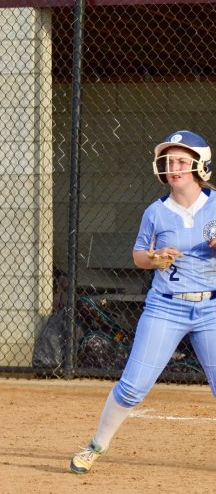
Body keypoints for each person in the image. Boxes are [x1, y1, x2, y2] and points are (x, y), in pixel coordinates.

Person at [70, 130, 216, 475]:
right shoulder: (156, 211)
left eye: (182, 161)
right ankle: (96, 445)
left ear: (200, 166)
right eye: (169, 161)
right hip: (166, 307)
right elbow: (138, 256)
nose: (174, 167)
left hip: (211, 308)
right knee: (133, 386)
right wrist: (156, 258)